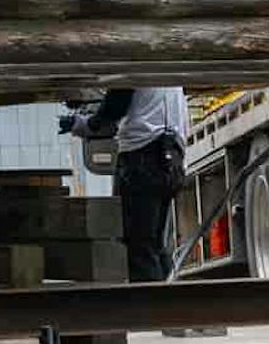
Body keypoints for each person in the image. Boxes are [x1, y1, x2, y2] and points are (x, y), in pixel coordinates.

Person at [65, 87, 191, 283]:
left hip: (142, 158)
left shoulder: (131, 73)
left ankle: (147, 299)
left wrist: (83, 124)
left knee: (139, 246)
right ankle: (165, 295)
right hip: (171, 157)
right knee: (155, 244)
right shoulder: (169, 78)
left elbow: (114, 109)